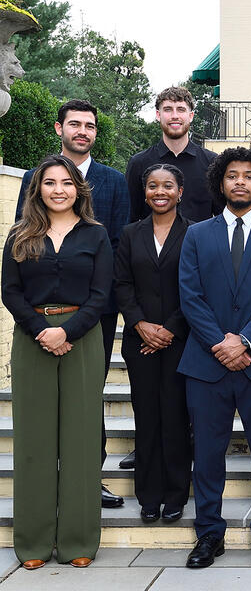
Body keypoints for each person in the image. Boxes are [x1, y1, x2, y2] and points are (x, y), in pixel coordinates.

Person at [178, 147, 251, 569]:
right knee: (207, 454)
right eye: (232, 175)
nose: (241, 182)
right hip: (206, 364)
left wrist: (244, 341)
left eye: (249, 175)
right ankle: (209, 533)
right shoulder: (196, 234)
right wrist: (222, 344)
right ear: (220, 183)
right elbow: (190, 298)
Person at [15, 99, 129, 506]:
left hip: (94, 312)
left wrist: (85, 315)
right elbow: (22, 244)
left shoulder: (114, 181)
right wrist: (40, 324)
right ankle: (46, 483)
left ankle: (87, 476)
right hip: (40, 317)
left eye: (90, 126)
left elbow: (118, 247)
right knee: (43, 405)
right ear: (59, 127)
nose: (83, 131)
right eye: (75, 124)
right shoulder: (34, 177)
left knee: (87, 396)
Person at [2, 154, 113, 569]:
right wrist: (41, 330)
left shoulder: (96, 235)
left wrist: (68, 331)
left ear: (78, 189)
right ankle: (32, 543)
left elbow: (102, 294)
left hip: (82, 339)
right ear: (38, 189)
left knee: (81, 440)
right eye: (50, 183)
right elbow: (10, 292)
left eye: (66, 182)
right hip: (33, 338)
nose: (59, 190)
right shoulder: (21, 234)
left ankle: (77, 540)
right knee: (34, 441)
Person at [114, 164, 192, 524]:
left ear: (180, 191)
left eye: (167, 186)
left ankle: (176, 493)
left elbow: (196, 287)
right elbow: (122, 284)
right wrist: (140, 324)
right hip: (139, 340)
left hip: (180, 341)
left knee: (176, 417)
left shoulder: (195, 233)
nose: (159, 192)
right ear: (144, 192)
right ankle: (148, 494)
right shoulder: (131, 233)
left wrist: (169, 329)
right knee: (146, 417)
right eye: (152, 186)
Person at [126, 86, 218, 223]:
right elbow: (130, 217)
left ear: (191, 116)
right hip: (152, 244)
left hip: (199, 244)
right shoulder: (139, 163)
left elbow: (222, 217)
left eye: (181, 109)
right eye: (168, 109)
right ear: (158, 115)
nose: (175, 116)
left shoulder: (212, 162)